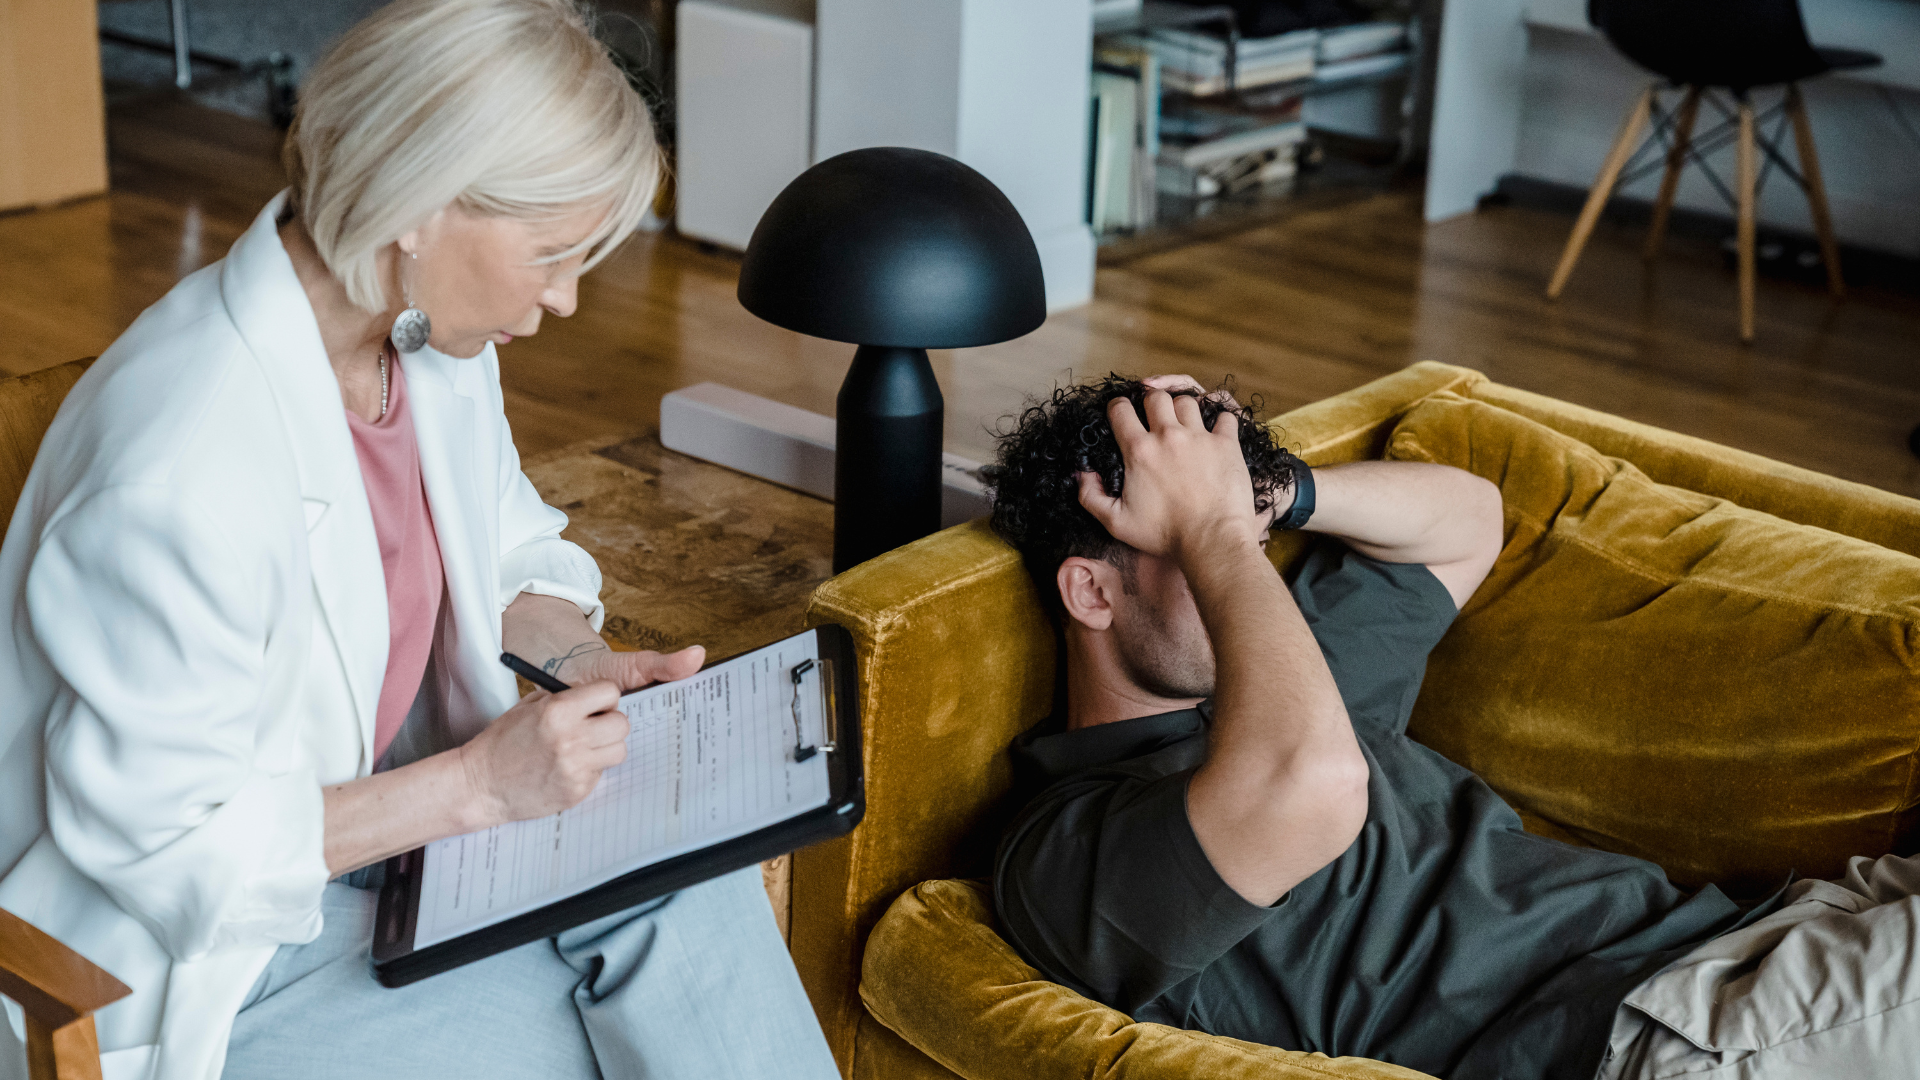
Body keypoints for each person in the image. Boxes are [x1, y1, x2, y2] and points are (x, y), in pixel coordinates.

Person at [0, 3, 837, 1079]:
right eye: (551, 254)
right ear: (417, 206)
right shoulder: (179, 467)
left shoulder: (421, 344)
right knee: (617, 1038)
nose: (567, 299)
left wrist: (574, 660)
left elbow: (503, 553)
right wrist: (480, 790)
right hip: (192, 965)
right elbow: (167, 854)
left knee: (688, 876)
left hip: (375, 863)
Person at [984, 374, 1920, 1080]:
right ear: (1092, 593)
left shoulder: (1272, 676)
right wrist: (1215, 533)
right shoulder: (1068, 850)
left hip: (1767, 936)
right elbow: (1313, 788)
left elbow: (1468, 522)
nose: (1252, 582)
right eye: (1200, 550)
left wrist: (1271, 497)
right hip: (1663, 1036)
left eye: (1253, 548)